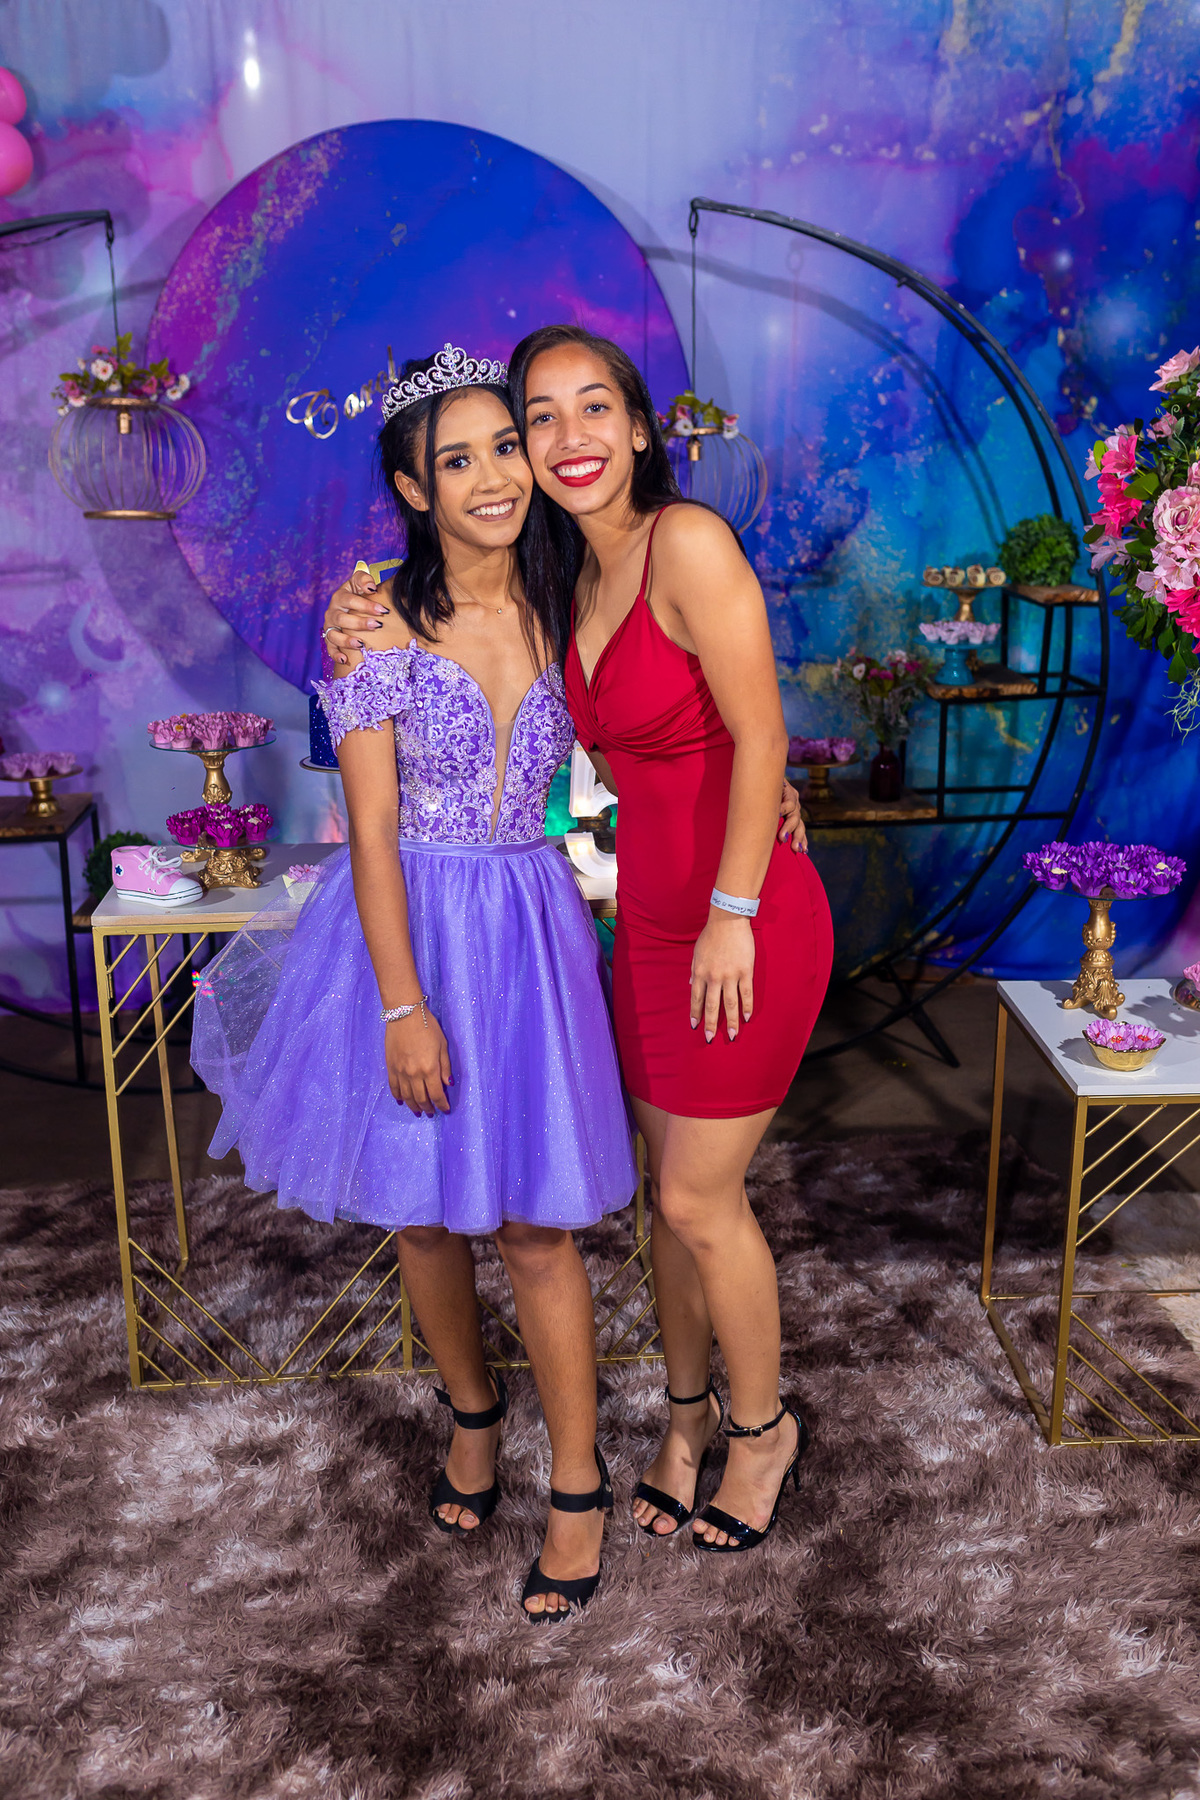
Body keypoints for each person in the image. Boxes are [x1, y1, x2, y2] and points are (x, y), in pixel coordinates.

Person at [327, 326, 832, 1556]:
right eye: (525, 426)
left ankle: (750, 1435)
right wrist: (355, 610)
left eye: (576, 414)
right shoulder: (542, 583)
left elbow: (749, 730)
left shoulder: (658, 552)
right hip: (617, 923)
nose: (542, 450)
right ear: (416, 487)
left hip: (703, 920)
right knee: (640, 1203)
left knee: (684, 1199)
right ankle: (664, 1423)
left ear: (641, 426)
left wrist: (742, 885)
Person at [193, 346, 638, 1622]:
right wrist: (403, 1006)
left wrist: (765, 791)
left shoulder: (573, 598)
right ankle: (473, 1414)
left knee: (537, 1226)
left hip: (531, 928)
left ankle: (579, 1483)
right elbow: (374, 831)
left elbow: (662, 730)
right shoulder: (374, 624)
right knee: (426, 1211)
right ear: (412, 488)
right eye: (458, 459)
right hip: (410, 932)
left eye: (507, 446)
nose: (495, 475)